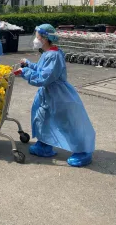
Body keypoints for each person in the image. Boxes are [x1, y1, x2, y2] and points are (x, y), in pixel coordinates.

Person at [16, 24, 96, 167]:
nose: (36, 39)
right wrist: (28, 64)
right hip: (47, 94)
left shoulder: (53, 55)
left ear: (45, 39)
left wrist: (24, 72)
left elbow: (44, 78)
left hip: (58, 95)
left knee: (67, 123)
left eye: (38, 36)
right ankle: (44, 145)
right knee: (42, 118)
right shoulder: (48, 53)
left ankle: (83, 151)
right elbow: (41, 69)